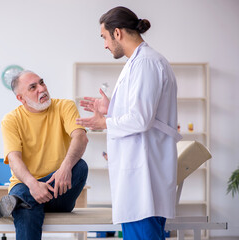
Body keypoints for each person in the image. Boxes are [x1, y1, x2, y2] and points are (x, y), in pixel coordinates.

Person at [76, 6, 182, 240]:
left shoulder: (146, 63)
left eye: (104, 37)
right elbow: (139, 113)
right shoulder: (136, 63)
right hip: (137, 174)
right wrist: (110, 109)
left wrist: (104, 122)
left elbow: (140, 120)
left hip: (144, 176)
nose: (104, 44)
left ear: (117, 33)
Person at [0, 70, 88, 240]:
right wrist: (33, 185)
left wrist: (65, 168)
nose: (42, 89)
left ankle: (17, 201)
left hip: (58, 189)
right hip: (26, 184)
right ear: (21, 98)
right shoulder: (11, 120)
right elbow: (14, 159)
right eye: (33, 87)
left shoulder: (65, 106)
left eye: (42, 83)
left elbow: (80, 137)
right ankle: (23, 200)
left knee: (80, 167)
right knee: (26, 207)